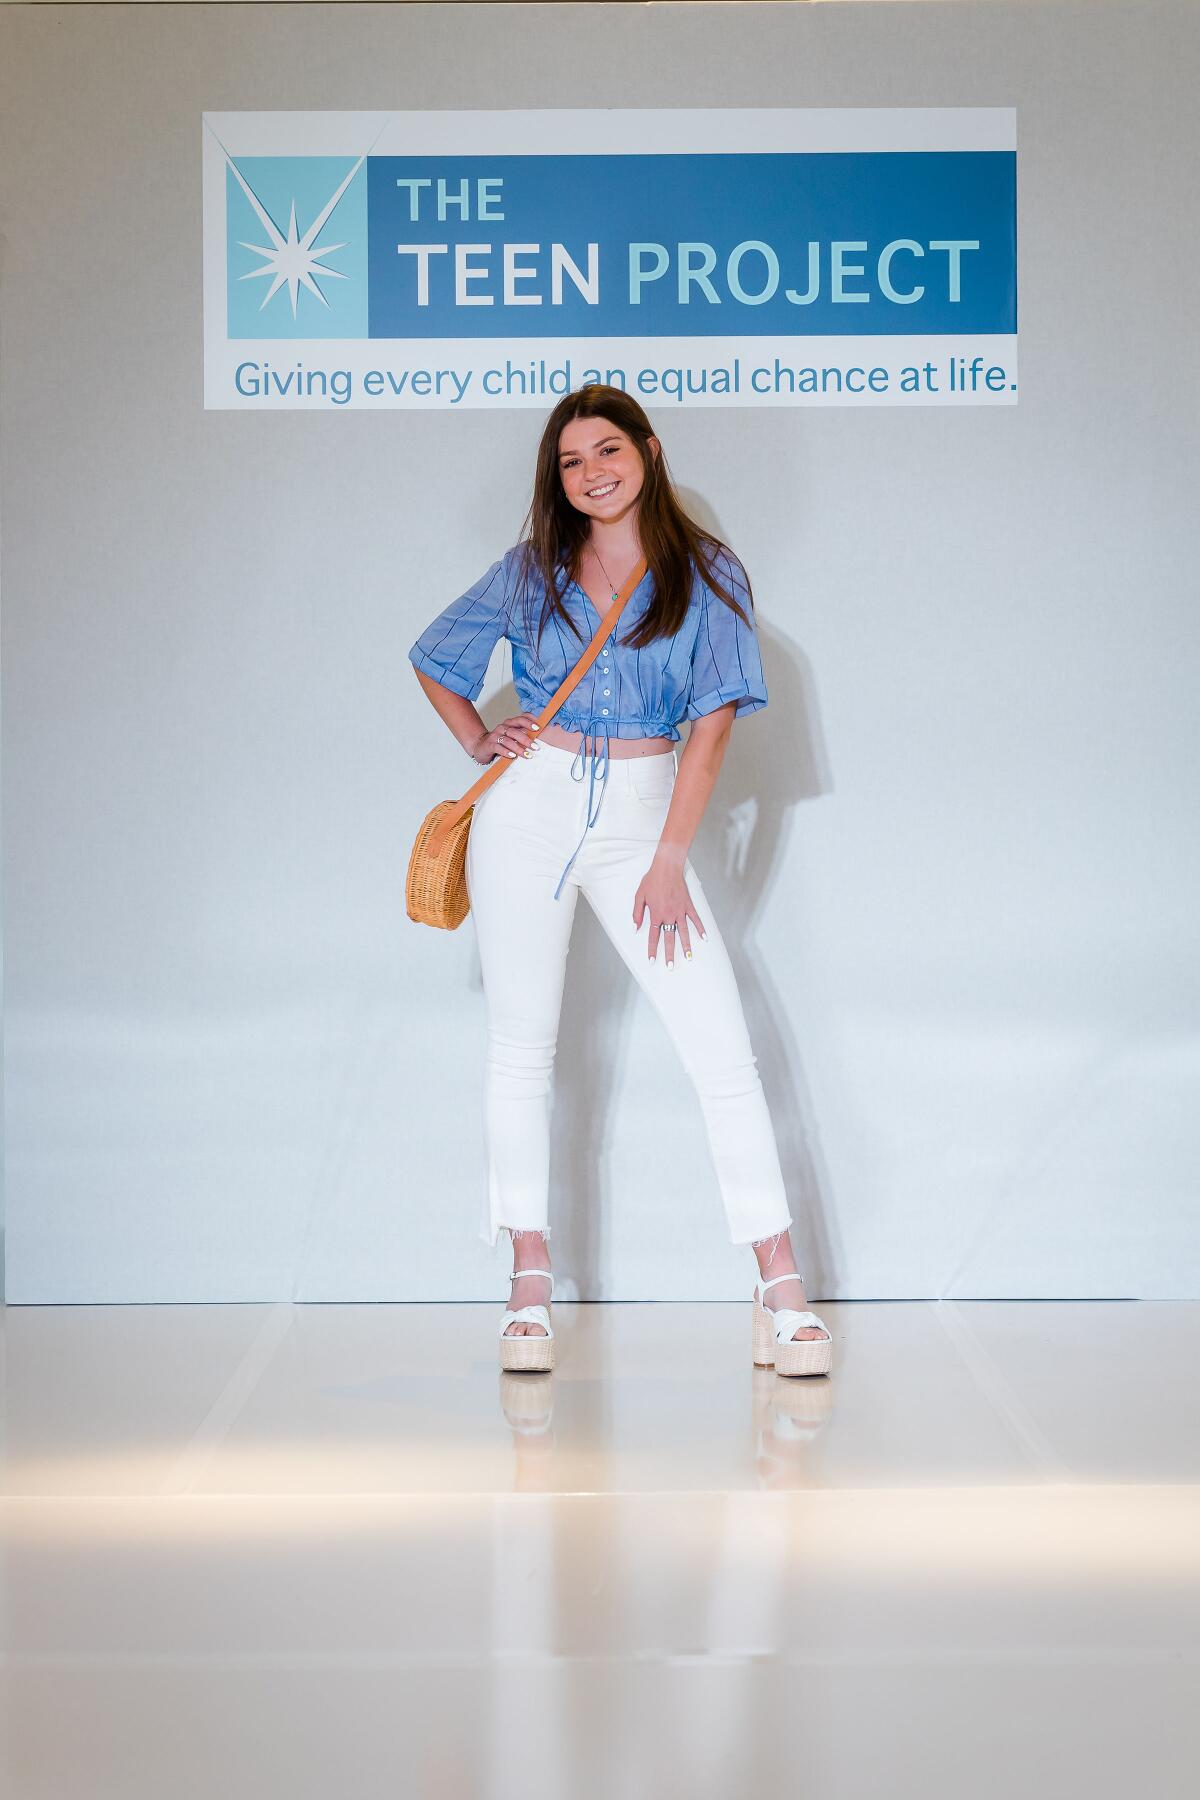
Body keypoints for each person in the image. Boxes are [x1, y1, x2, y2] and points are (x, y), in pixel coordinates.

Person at [408, 385, 832, 1379]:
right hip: (530, 808)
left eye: (607, 449)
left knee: (720, 1048)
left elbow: (717, 720)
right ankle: (527, 1278)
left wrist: (674, 855)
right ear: (557, 480)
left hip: (645, 813)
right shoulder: (531, 571)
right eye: (570, 461)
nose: (592, 471)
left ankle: (780, 1287)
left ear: (647, 448)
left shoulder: (706, 570)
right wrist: (478, 736)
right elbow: (436, 657)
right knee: (523, 1047)